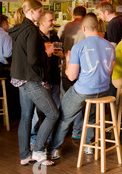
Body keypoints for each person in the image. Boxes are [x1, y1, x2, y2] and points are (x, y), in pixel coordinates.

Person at [49, 13, 115, 160]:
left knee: (64, 116)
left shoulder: (78, 46)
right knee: (90, 115)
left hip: (84, 90)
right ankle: (89, 145)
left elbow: (71, 76)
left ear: (83, 28)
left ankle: (55, 148)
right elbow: (109, 71)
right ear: (97, 27)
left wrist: (67, 60)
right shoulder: (109, 46)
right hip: (103, 90)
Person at [8, 0, 59, 167]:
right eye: (39, 11)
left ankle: (24, 155)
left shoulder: (18, 29)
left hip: (19, 77)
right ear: (31, 12)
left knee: (26, 116)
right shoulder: (31, 30)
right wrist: (47, 52)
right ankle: (38, 151)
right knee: (53, 114)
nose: (41, 14)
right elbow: (33, 59)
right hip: (31, 78)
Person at [30, 10, 62, 148]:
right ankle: (33, 140)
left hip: (54, 77)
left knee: (55, 109)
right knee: (37, 111)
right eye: (51, 20)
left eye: (53, 20)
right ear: (41, 22)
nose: (53, 23)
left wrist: (61, 55)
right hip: (41, 79)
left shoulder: (54, 35)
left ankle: (49, 139)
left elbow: (58, 53)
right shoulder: (36, 36)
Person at [58, 6, 87, 139]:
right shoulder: (86, 29)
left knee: (66, 98)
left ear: (73, 14)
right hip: (82, 68)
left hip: (67, 65)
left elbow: (57, 44)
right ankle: (77, 130)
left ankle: (65, 128)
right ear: (84, 16)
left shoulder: (64, 27)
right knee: (79, 99)